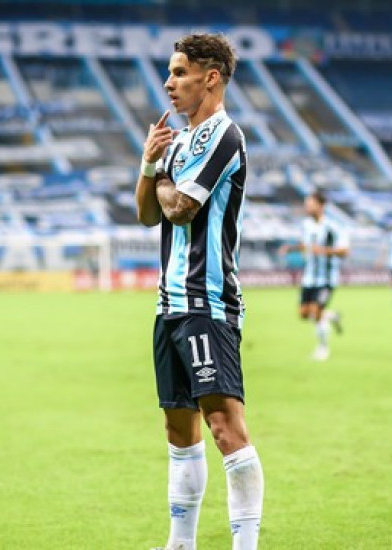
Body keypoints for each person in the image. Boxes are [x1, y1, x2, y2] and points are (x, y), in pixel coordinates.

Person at [134, 33, 263, 550]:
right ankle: (180, 543)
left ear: (211, 78)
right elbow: (146, 213)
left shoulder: (224, 135)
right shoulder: (177, 141)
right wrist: (149, 164)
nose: (168, 83)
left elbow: (180, 208)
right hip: (169, 307)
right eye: (169, 73)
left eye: (179, 72)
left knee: (225, 427)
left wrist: (163, 180)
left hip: (208, 305)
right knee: (177, 431)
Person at [279, 191, 348, 361]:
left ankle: (323, 348)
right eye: (306, 204)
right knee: (304, 314)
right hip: (309, 278)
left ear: (321, 205)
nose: (307, 207)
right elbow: (306, 245)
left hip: (326, 279)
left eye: (310, 204)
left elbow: (344, 250)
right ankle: (332, 316)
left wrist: (324, 251)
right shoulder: (306, 225)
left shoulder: (333, 226)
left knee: (316, 313)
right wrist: (292, 248)